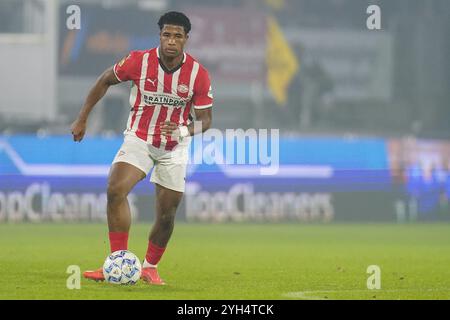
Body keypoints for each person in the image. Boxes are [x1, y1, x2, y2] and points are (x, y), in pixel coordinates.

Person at [70, 11, 213, 285]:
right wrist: (82, 117)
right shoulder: (138, 61)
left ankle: (149, 267)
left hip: (174, 148)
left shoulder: (197, 74)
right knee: (115, 189)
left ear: (186, 40)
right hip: (139, 139)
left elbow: (206, 121)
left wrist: (183, 130)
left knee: (167, 214)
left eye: (177, 36)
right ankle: (118, 263)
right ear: (160, 36)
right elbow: (104, 80)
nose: (171, 41)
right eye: (167, 35)